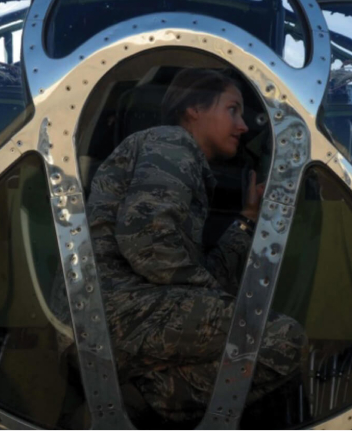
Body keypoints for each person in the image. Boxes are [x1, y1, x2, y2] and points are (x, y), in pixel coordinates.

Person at [86, 68, 306, 422]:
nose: (243, 126)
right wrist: (214, 298)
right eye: (232, 110)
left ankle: (145, 392)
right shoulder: (172, 144)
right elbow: (148, 242)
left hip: (134, 314)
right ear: (194, 110)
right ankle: (154, 395)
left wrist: (247, 218)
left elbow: (196, 273)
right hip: (120, 314)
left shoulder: (183, 161)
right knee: (283, 338)